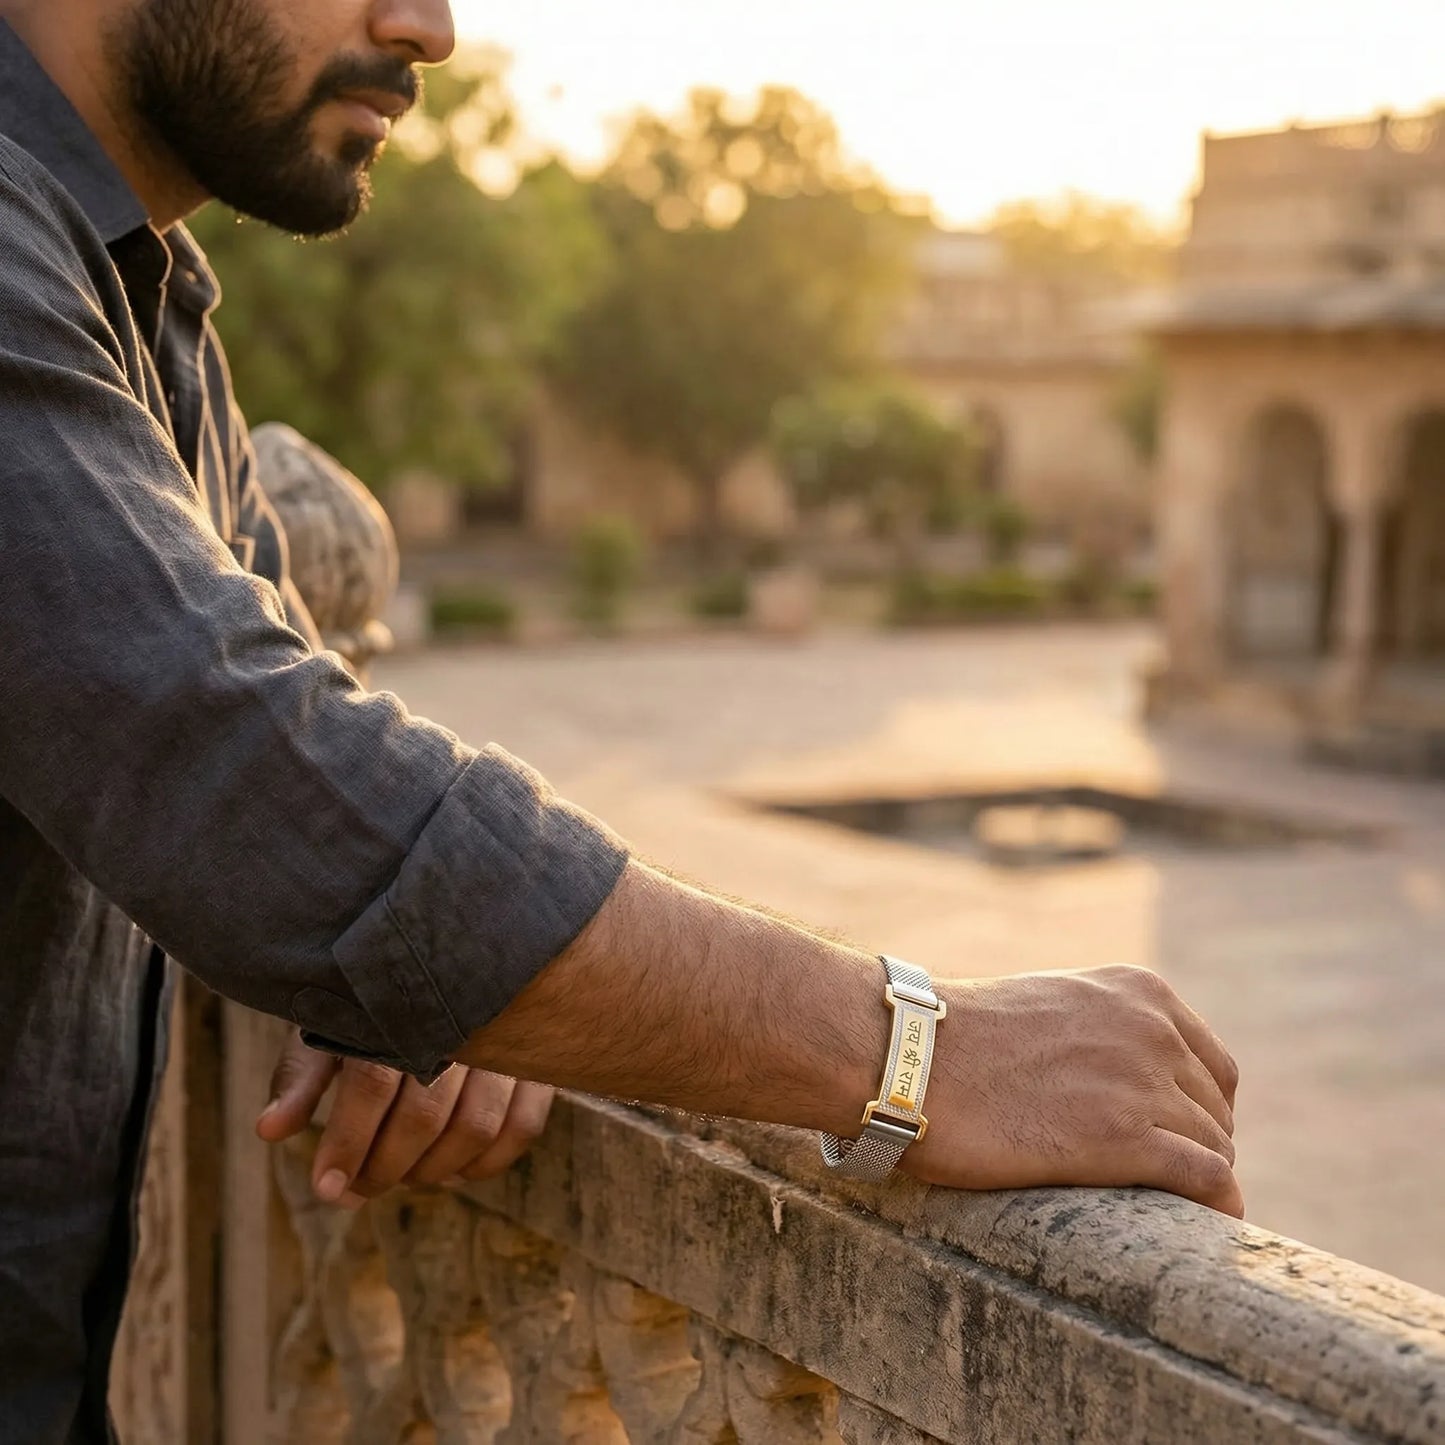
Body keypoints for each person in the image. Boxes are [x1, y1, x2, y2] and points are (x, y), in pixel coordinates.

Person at [0, 2, 1241, 1441]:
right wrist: (921, 1053)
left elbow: (301, 769)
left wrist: (434, 978)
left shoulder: (143, 297)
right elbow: (248, 774)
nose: (430, 27)